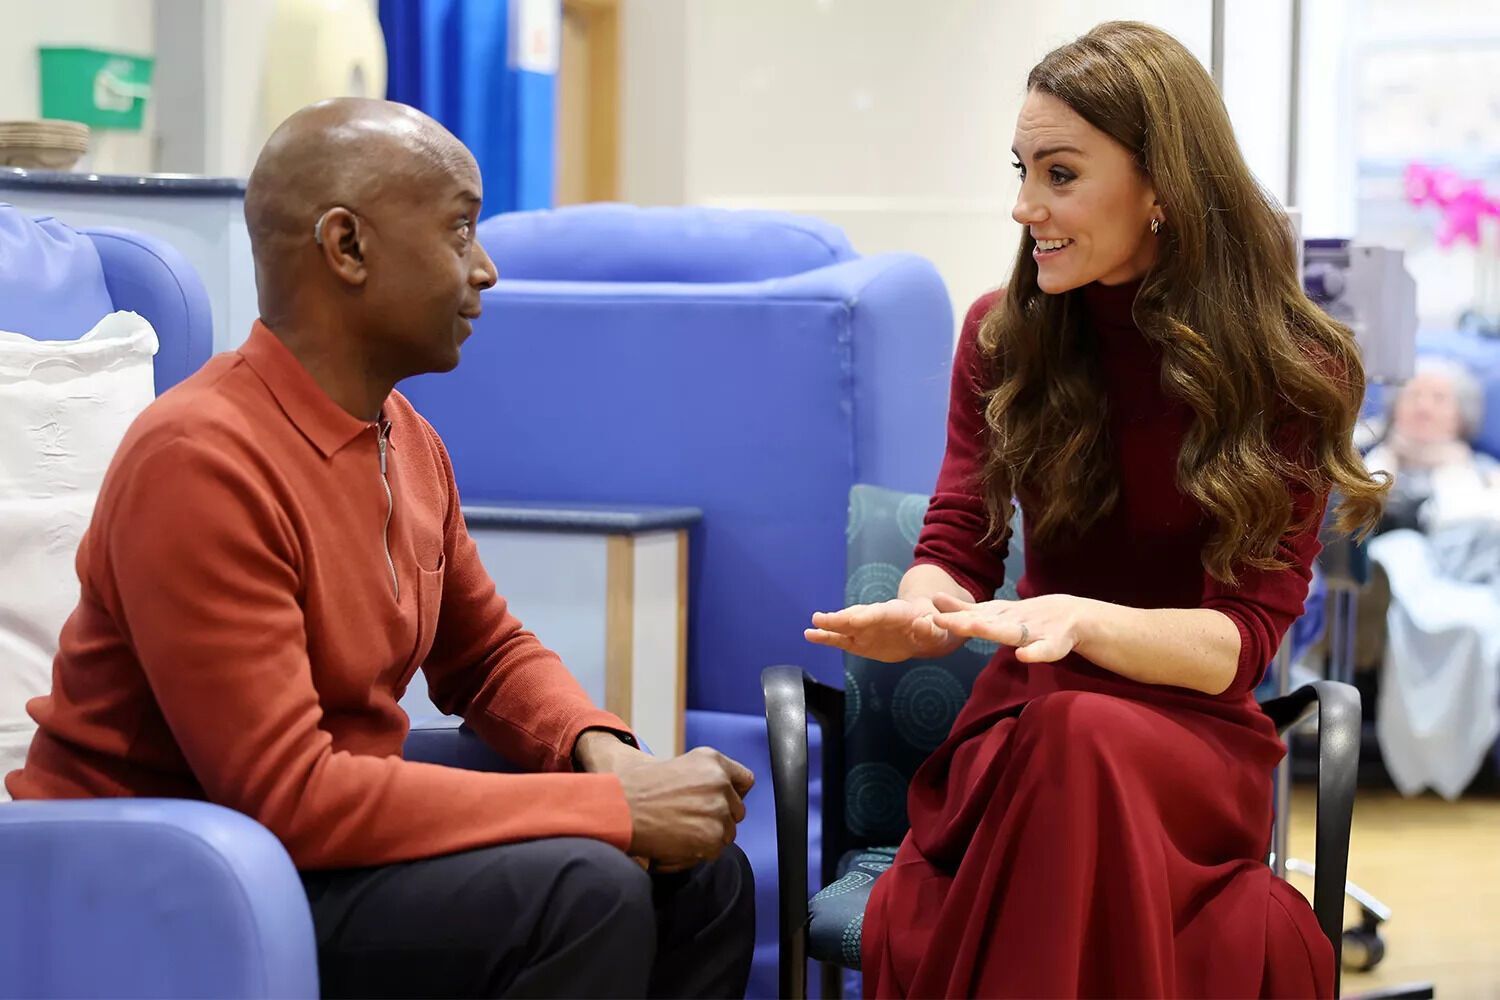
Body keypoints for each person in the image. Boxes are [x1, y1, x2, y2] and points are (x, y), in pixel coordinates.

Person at [7, 99, 755, 1000]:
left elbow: (486, 655)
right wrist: (611, 811)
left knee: (701, 873)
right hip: (154, 870)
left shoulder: (403, 435)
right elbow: (288, 795)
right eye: (459, 230)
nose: (486, 269)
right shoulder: (198, 460)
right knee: (584, 889)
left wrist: (603, 752)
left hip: (292, 836)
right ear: (347, 247)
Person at [804, 22, 1386, 998]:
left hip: (1191, 748)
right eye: (1023, 170)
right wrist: (927, 605)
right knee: (1070, 730)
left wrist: (1075, 619)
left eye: (1061, 174)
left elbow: (1237, 643)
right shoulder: (1003, 334)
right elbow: (959, 537)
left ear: (1161, 184)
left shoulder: (1291, 367)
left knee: (1083, 735)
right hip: (1029, 732)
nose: (1026, 206)